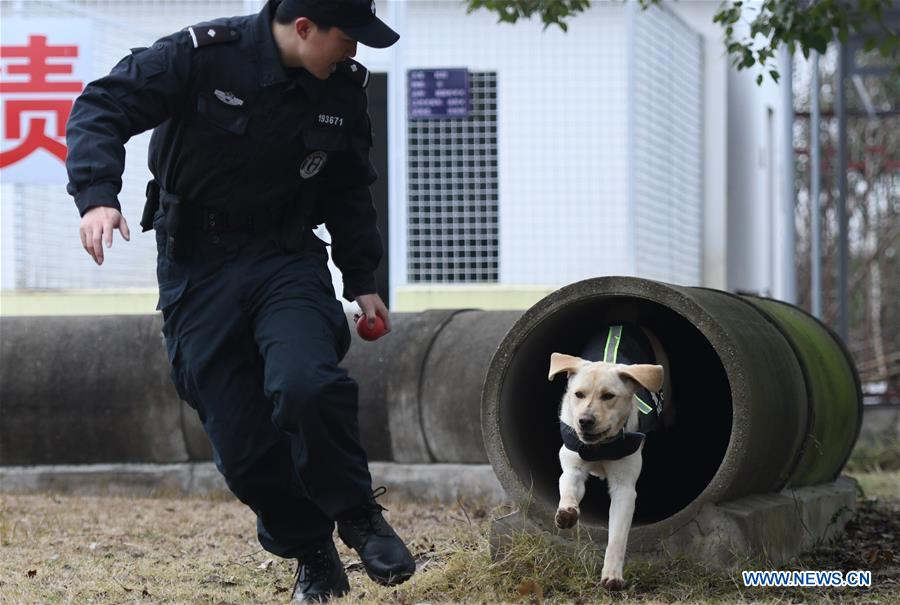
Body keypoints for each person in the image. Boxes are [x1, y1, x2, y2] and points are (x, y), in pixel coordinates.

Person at [65, 0, 414, 601]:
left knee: (306, 383)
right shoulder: (201, 55)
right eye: (347, 38)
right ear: (304, 28)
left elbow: (349, 187)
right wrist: (98, 195)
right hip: (196, 266)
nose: (355, 52)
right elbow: (102, 105)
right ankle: (311, 549)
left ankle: (358, 514)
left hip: (284, 257)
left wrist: (362, 279)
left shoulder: (341, 88)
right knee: (242, 446)